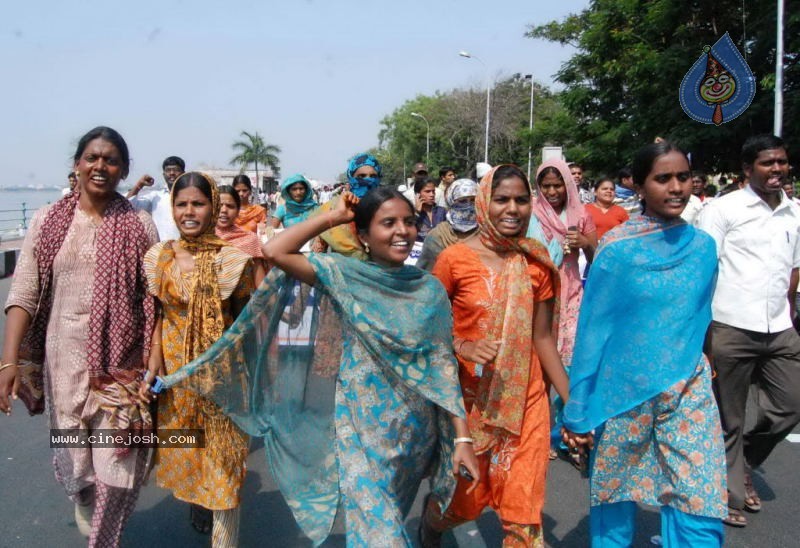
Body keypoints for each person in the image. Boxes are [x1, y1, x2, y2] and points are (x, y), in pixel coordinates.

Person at [563, 140, 727, 547]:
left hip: (687, 388)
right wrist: (578, 407)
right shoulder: (617, 251)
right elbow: (593, 333)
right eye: (663, 178)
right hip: (624, 392)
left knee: (700, 493)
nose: (676, 188)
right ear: (638, 185)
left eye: (683, 177)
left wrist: (705, 361)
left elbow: (699, 316)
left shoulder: (704, 248)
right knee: (616, 490)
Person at [1, 126, 159, 547]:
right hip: (63, 364)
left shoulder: (140, 225)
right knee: (78, 471)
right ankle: (84, 497)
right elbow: (24, 291)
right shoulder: (48, 222)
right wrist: (9, 360)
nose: (100, 166)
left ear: (124, 169)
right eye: (92, 157)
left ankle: (103, 539)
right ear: (77, 164)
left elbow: (154, 300)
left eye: (111, 160)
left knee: (117, 470)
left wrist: (155, 362)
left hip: (123, 368)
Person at [421, 164, 569, 547]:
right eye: (502, 199)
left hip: (528, 401)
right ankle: (432, 522)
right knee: (464, 506)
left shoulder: (536, 262)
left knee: (523, 513)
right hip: (469, 404)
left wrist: (573, 403)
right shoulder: (454, 260)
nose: (513, 208)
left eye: (521, 200)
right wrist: (463, 346)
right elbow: (428, 331)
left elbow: (543, 339)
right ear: (486, 202)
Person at [138, 172, 254, 547]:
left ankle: (224, 536)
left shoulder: (234, 261)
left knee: (223, 465)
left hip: (222, 380)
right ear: (172, 208)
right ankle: (200, 502)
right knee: (188, 450)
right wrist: (154, 362)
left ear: (214, 207)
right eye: (182, 204)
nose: (189, 211)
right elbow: (156, 315)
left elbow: (245, 320)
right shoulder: (159, 257)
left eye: (198, 203)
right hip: (177, 379)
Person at [697, 134, 800, 528]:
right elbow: (703, 269)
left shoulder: (794, 212)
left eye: (782, 162)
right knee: (729, 417)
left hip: (780, 328)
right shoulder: (724, 209)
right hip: (730, 325)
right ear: (746, 169)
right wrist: (704, 334)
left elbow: (793, 271)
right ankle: (729, 489)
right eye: (767, 163)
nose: (777, 169)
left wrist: (789, 315)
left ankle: (745, 461)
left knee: (790, 405)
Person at [416, 178, 478, 271]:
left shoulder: (486, 233)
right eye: (462, 201)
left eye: (473, 200)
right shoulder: (438, 236)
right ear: (451, 201)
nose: (468, 205)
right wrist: (416, 214)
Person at [216, 185, 267, 286]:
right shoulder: (200, 238)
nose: (224, 210)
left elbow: (261, 288)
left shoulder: (250, 240)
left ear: (238, 210)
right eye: (219, 205)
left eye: (230, 206)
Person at [127, 155, 185, 241]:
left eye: (176, 170)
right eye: (168, 170)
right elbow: (129, 204)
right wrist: (140, 184)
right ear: (164, 174)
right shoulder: (156, 197)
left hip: (185, 248)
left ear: (183, 173)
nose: (172, 173)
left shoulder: (190, 196)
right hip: (159, 249)